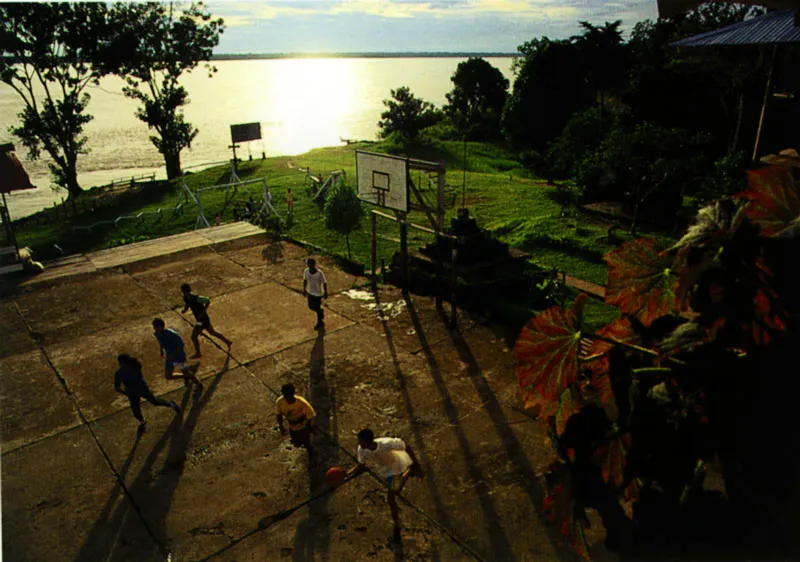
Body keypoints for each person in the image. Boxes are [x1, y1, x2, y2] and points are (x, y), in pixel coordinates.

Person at [346, 428, 424, 535]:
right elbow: (361, 466)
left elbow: (407, 447)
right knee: (394, 494)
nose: (358, 443)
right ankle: (408, 473)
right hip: (387, 471)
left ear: (367, 441)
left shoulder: (386, 444)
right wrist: (346, 474)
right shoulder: (361, 450)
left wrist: (417, 465)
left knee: (391, 497)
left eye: (360, 440)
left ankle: (397, 524)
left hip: (397, 464)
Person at [114, 353, 180, 432]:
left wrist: (126, 393)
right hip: (140, 389)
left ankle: (143, 421)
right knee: (150, 404)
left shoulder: (120, 372)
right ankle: (170, 405)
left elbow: (117, 387)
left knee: (144, 406)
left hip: (136, 391)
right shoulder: (134, 366)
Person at [180, 283, 232, 358]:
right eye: (184, 292)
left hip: (203, 320)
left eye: (187, 291)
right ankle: (227, 342)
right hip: (199, 319)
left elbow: (207, 300)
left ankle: (198, 353)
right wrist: (185, 309)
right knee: (212, 332)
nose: (186, 293)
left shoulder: (197, 298)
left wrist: (203, 311)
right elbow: (187, 304)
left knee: (194, 336)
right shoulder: (186, 298)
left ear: (189, 291)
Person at [152, 318, 202, 388]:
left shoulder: (172, 335)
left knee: (185, 371)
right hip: (169, 356)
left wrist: (173, 355)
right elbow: (161, 341)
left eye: (155, 327)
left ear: (161, 326)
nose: (154, 328)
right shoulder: (157, 334)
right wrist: (161, 350)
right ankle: (185, 377)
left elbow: (181, 346)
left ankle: (197, 383)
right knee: (168, 376)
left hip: (179, 356)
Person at [276, 383, 316, 459]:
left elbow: (311, 416)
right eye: (286, 396)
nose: (288, 399)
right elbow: (279, 415)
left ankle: (312, 455)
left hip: (303, 425)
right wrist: (281, 427)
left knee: (307, 443)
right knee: (296, 443)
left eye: (290, 396)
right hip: (292, 426)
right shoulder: (279, 402)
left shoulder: (302, 403)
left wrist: (309, 427)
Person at [302, 258, 328, 330]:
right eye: (308, 264)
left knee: (316, 307)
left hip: (318, 294)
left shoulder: (319, 273)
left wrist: (325, 292)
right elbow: (305, 280)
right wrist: (304, 289)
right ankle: (320, 311)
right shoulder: (306, 271)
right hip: (310, 292)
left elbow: (324, 282)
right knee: (310, 306)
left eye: (311, 265)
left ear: (314, 265)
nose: (309, 266)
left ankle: (319, 322)